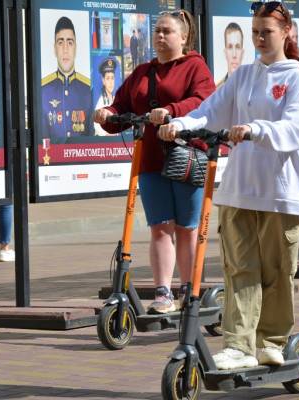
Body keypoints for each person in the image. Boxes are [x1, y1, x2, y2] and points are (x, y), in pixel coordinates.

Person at [158, 1, 299, 369]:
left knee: (277, 272)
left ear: (287, 33)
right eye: (256, 33)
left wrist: (255, 128)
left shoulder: (295, 76)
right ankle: (238, 345)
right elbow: (209, 110)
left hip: (281, 193)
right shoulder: (244, 75)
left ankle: (272, 341)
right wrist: (180, 124)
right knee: (239, 268)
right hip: (240, 189)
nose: (261, 38)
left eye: (268, 32)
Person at [94, 9, 216, 314]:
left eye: (167, 31)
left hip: (186, 157)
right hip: (149, 160)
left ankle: (189, 290)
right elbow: (122, 105)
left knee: (186, 228)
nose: (160, 36)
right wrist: (107, 114)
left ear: (184, 36)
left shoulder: (195, 67)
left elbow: (203, 101)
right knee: (160, 227)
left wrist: (172, 110)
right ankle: (163, 293)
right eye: (157, 31)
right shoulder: (142, 71)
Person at [41, 16, 92, 141]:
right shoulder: (43, 90)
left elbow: (91, 136)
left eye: (70, 42)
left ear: (75, 48)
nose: (65, 49)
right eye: (60, 42)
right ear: (54, 49)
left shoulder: (88, 89)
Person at [94, 57, 118, 136]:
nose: (111, 82)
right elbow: (96, 124)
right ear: (103, 81)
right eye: (108, 78)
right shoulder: (100, 102)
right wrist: (106, 134)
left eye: (112, 78)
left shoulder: (116, 99)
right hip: (105, 142)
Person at [217, 22, 244, 88]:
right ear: (225, 53)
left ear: (242, 53)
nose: (234, 55)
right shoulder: (216, 90)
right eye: (230, 47)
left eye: (237, 47)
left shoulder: (253, 88)